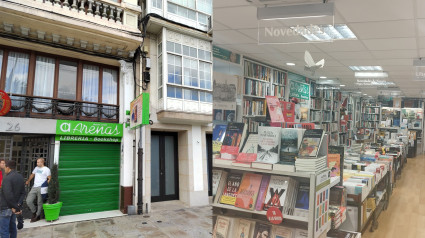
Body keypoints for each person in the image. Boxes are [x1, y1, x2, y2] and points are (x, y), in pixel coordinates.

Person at [0, 160, 25, 238]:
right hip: (14, 208)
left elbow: (8, 195)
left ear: (8, 167)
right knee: (13, 228)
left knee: (4, 231)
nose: (4, 169)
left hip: (6, 207)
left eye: (5, 167)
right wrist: (18, 205)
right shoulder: (20, 176)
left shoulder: (7, 178)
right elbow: (23, 193)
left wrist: (14, 206)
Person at [25, 158, 51, 223]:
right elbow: (32, 174)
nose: (37, 163)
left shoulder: (46, 169)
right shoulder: (36, 168)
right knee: (28, 201)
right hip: (34, 186)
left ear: (42, 162)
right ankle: (34, 212)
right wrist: (28, 181)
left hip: (41, 187)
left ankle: (37, 215)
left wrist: (44, 185)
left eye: (38, 162)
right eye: (37, 162)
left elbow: (49, 178)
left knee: (40, 202)